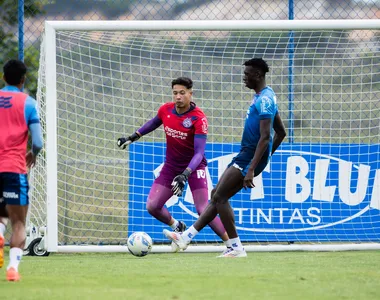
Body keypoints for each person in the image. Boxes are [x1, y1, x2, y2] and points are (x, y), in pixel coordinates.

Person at [164, 58, 287, 258]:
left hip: (248, 157)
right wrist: (266, 157)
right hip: (247, 154)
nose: (244, 78)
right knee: (217, 195)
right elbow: (281, 132)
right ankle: (186, 237)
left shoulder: (265, 99)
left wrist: (253, 167)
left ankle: (236, 247)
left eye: (247, 74)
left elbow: (266, 136)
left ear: (258, 75)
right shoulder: (264, 96)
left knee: (220, 197)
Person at [117, 77, 230, 250]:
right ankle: (177, 227)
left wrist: (185, 175)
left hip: (193, 168)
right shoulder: (166, 110)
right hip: (171, 167)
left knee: (202, 210)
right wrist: (132, 137)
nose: (178, 97)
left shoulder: (198, 119)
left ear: (190, 94)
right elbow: (153, 123)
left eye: (182, 93)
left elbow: (199, 153)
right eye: (175, 93)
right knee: (152, 206)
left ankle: (232, 245)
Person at [0, 59, 43, 281]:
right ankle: (13, 268)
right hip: (14, 169)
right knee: (18, 222)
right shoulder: (28, 103)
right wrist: (33, 155)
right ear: (23, 79)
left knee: (1, 214)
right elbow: (37, 142)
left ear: (4, 77)